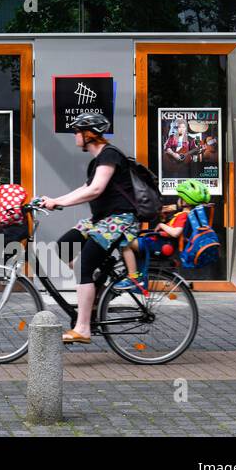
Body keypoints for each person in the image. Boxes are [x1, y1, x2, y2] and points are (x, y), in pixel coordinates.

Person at [38, 111, 139, 344]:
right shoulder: (97, 161)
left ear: (89, 134)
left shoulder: (110, 155)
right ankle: (94, 282)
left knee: (83, 264)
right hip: (100, 221)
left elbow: (95, 190)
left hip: (118, 220)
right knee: (63, 247)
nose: (74, 135)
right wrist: (53, 199)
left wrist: (59, 202)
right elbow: (84, 188)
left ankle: (83, 328)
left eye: (77, 131)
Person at [114, 178, 209, 288]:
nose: (178, 200)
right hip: (159, 242)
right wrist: (164, 220)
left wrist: (161, 225)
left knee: (125, 243)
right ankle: (136, 276)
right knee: (130, 242)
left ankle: (132, 277)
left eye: (180, 198)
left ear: (185, 201)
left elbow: (175, 233)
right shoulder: (184, 215)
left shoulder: (183, 216)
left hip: (159, 245)